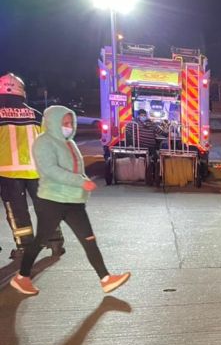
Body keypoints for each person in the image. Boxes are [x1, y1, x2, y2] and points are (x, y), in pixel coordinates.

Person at [10, 106, 131, 296]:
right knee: (40, 240)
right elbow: (50, 170)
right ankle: (22, 277)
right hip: (52, 200)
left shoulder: (69, 142)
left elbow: (77, 169)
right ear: (53, 123)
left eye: (70, 123)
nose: (68, 126)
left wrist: (82, 186)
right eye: (64, 123)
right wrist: (81, 182)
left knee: (89, 239)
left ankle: (105, 279)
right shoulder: (44, 143)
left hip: (73, 201)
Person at [0, 73, 64, 261]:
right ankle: (55, 241)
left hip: (8, 173)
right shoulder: (36, 115)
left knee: (17, 211)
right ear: (22, 92)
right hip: (37, 170)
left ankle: (26, 247)